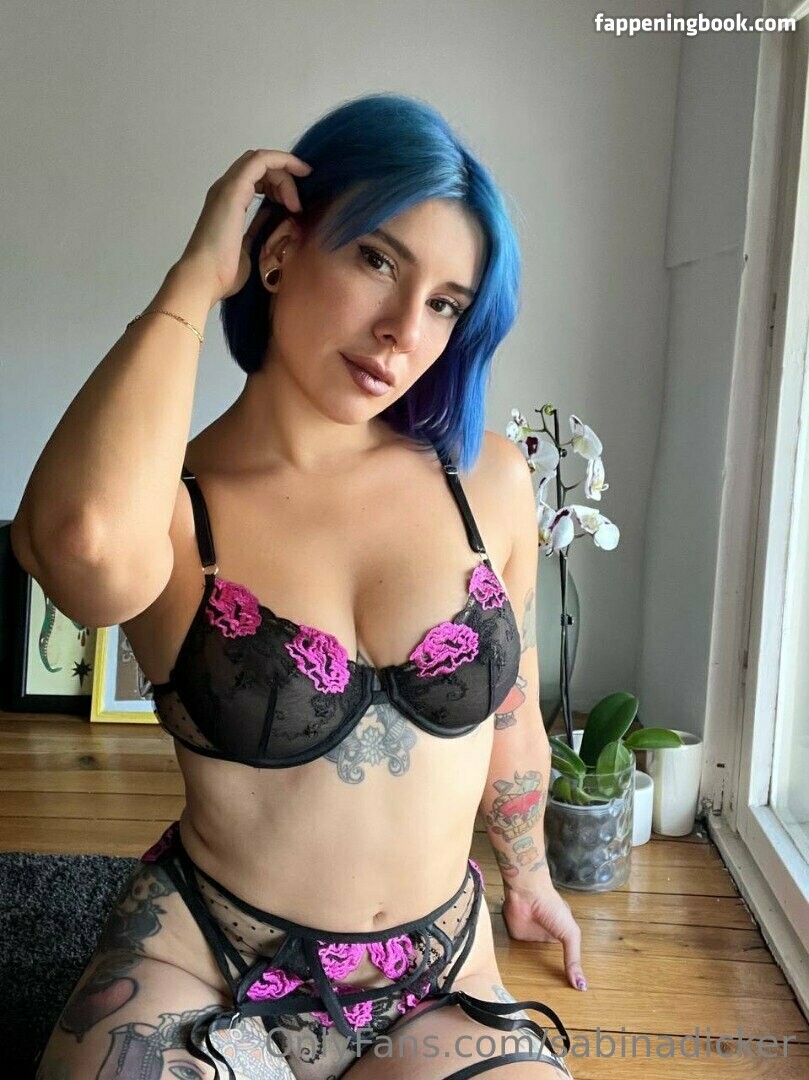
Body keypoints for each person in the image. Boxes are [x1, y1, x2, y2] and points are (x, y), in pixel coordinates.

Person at [14, 93, 585, 1080]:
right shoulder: (176, 509)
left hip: (435, 972)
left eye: (444, 303)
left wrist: (528, 877)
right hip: (205, 956)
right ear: (277, 254)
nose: (402, 330)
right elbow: (78, 545)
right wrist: (196, 277)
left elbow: (512, 714)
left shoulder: (485, 482)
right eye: (377, 261)